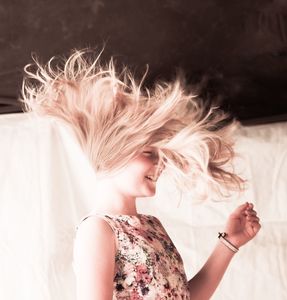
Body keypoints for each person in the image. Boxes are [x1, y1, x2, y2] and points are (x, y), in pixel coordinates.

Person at [21, 49, 261, 300]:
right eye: (149, 153)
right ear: (116, 151)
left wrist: (230, 243)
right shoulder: (98, 230)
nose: (161, 164)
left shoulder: (152, 226)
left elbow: (183, 297)